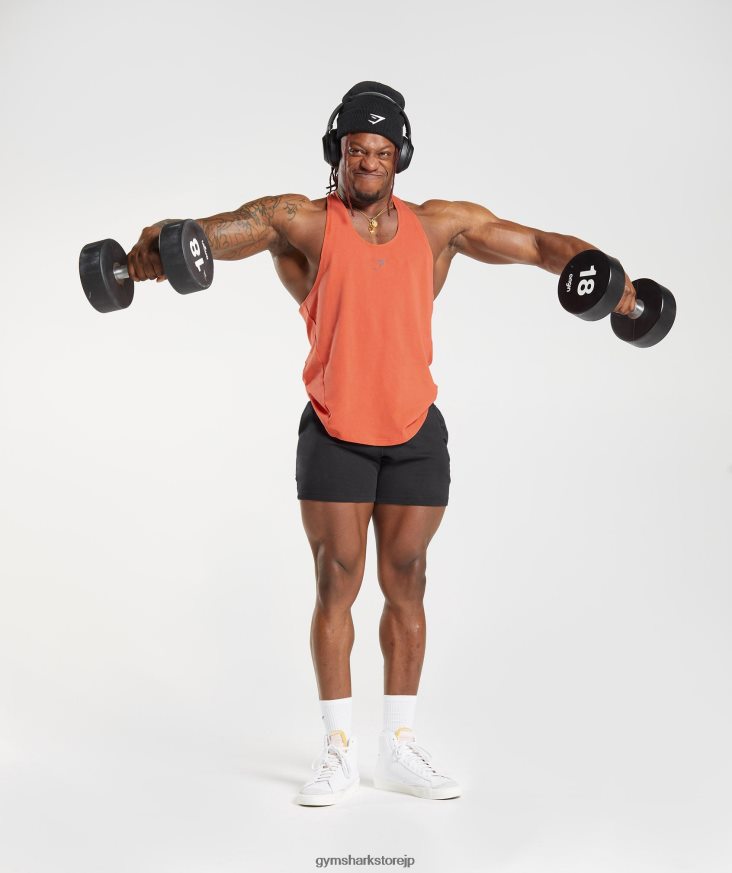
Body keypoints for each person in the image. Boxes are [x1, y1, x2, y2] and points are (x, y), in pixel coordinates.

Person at [127, 81, 637, 807]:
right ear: (336, 152)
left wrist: (610, 280)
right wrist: (152, 250)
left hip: (414, 431)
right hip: (336, 428)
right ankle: (337, 749)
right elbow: (213, 233)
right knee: (337, 581)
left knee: (409, 578)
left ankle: (397, 745)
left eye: (382, 151)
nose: (368, 161)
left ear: (401, 157)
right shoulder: (300, 222)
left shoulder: (440, 226)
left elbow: (537, 246)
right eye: (356, 149)